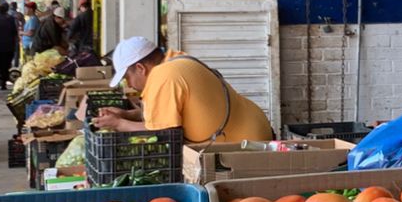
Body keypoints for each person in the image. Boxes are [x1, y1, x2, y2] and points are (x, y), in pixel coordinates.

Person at [93, 37, 273, 144]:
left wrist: (118, 124)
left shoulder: (164, 76)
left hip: (244, 146)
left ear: (140, 68)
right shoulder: (175, 61)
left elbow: (163, 133)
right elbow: (169, 114)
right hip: (255, 131)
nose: (129, 85)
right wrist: (126, 115)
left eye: (127, 78)